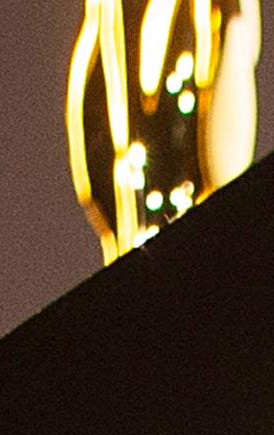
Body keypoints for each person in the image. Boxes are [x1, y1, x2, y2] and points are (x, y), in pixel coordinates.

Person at [67, 0, 256, 261]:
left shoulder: (210, 23)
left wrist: (234, 28)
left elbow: (227, 168)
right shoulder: (112, 30)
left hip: (192, 252)